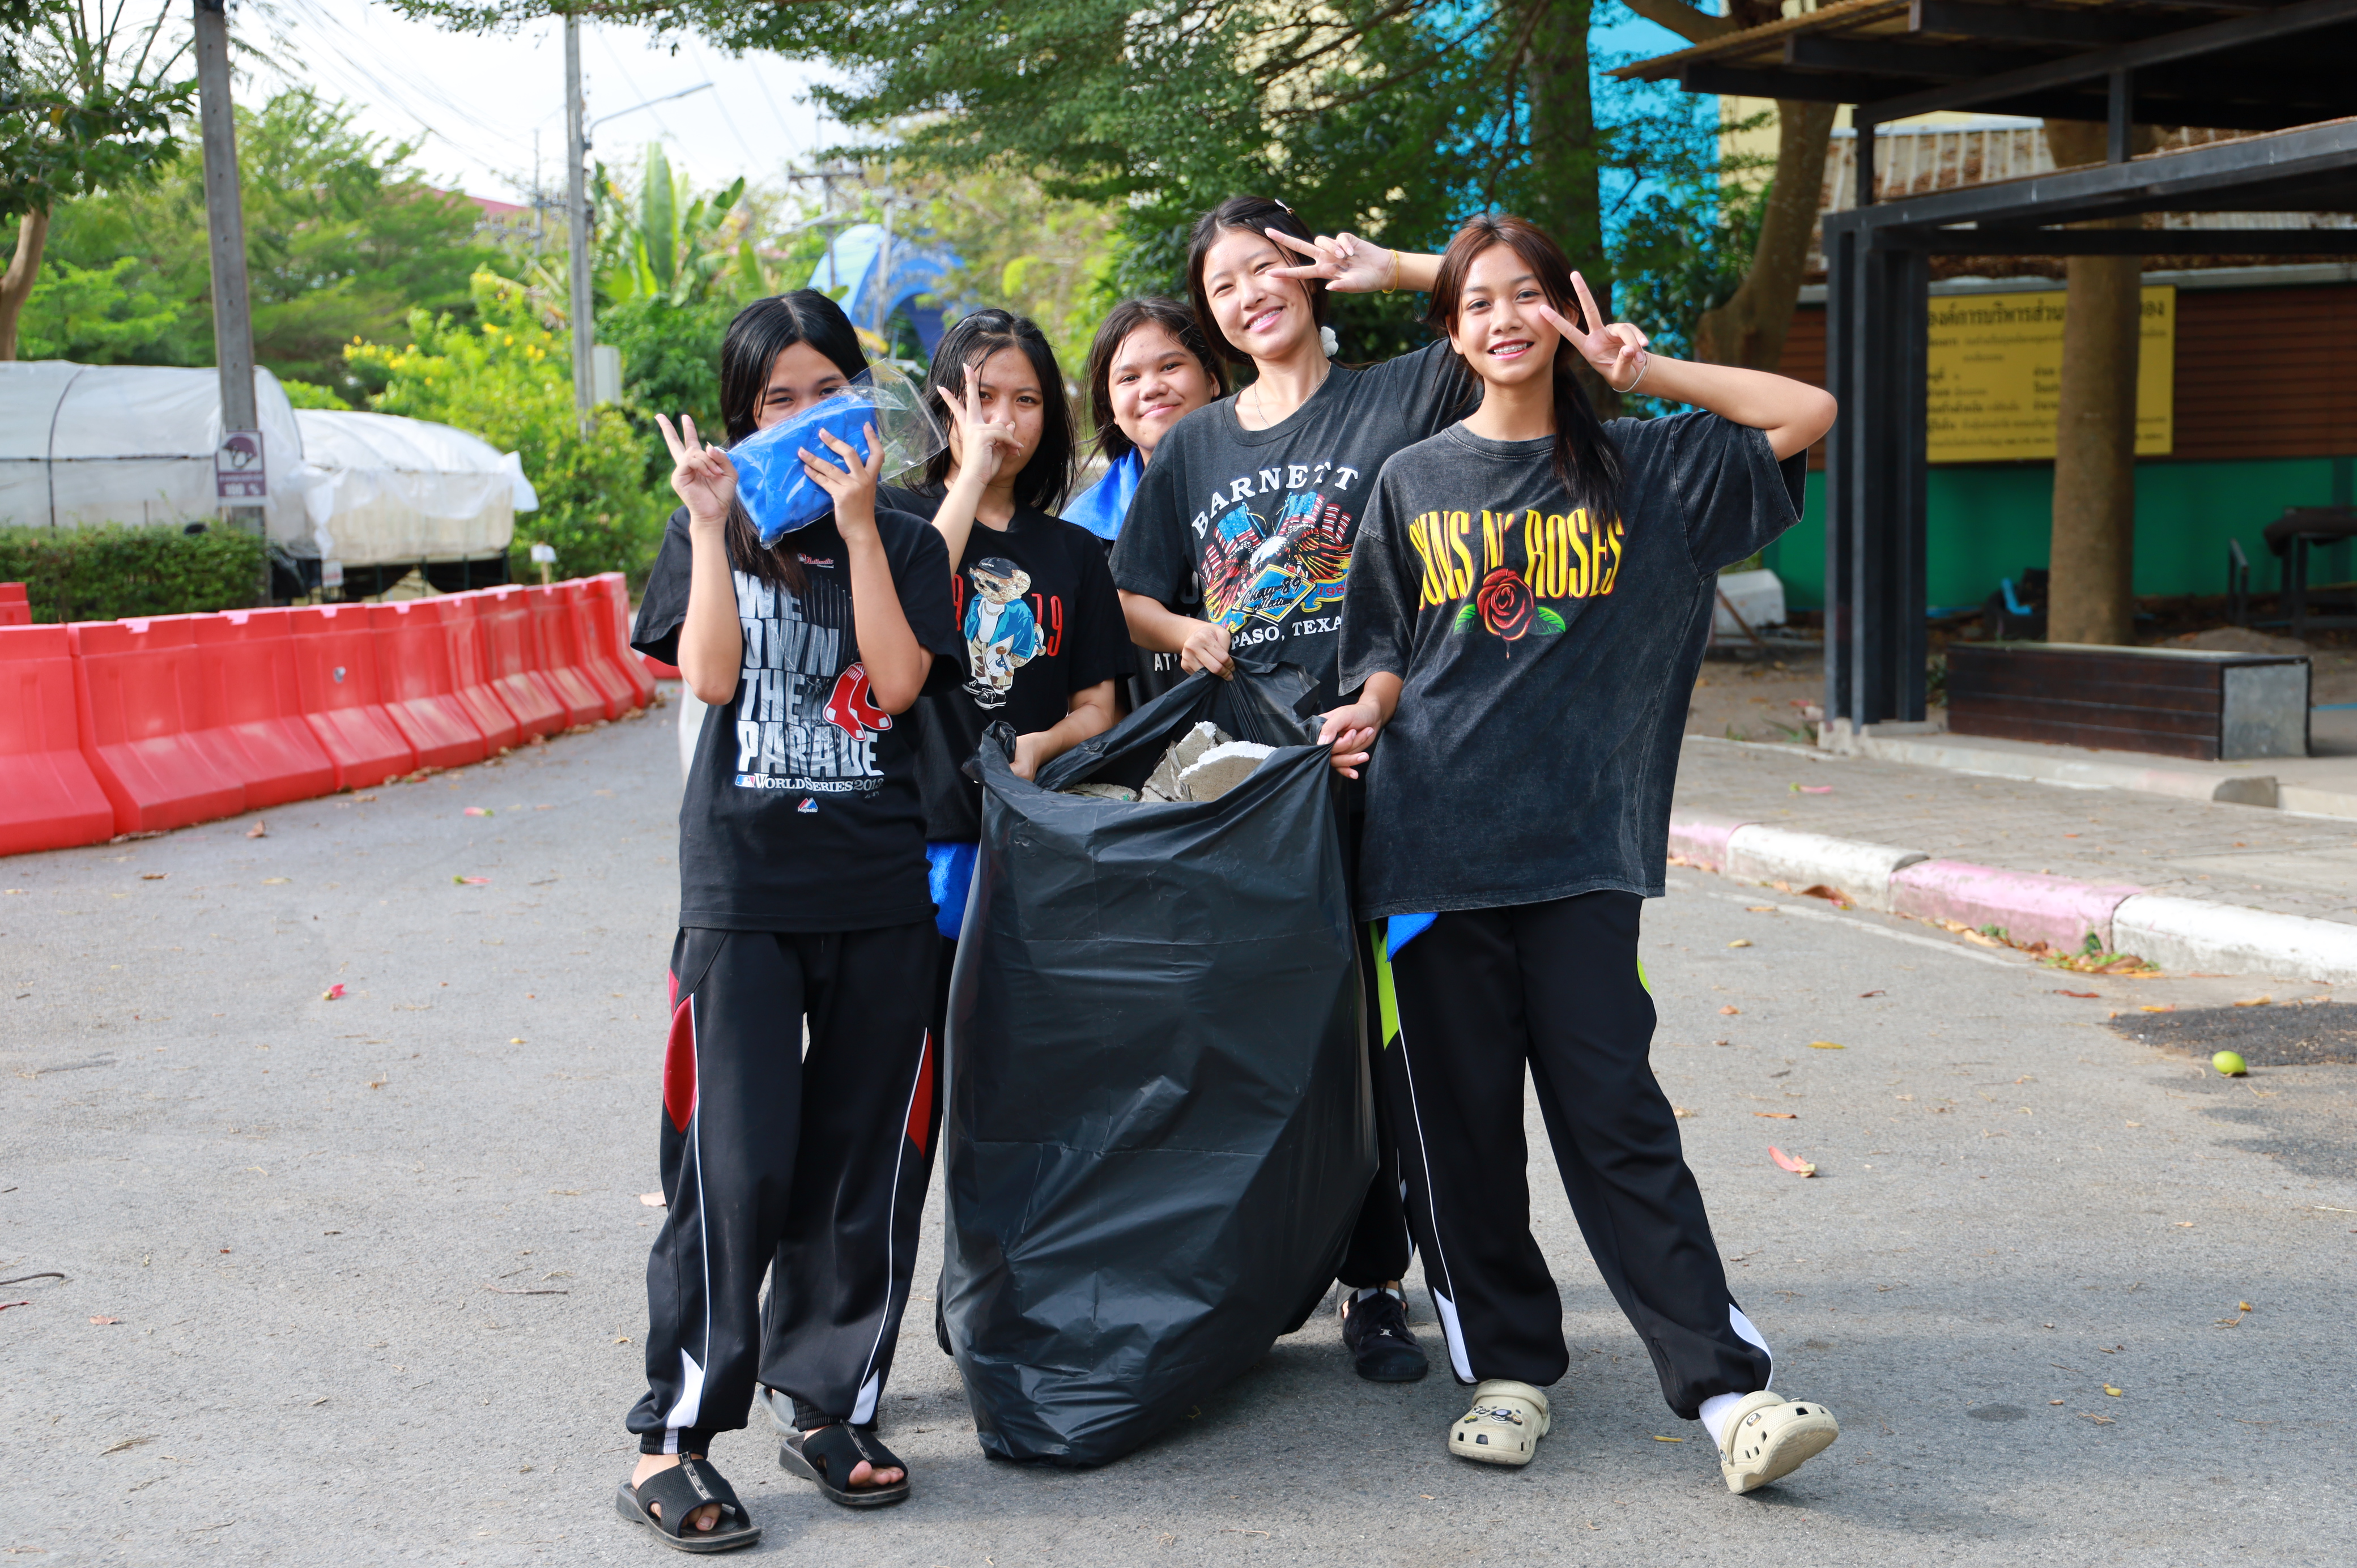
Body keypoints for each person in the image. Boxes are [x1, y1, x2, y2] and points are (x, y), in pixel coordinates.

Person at [1320, 214, 1843, 1492]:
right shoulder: (1412, 480)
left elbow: (1808, 410)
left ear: (1566, 310)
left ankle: (1728, 1394)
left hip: (1583, 859)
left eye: (1526, 296)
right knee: (1461, 1137)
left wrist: (1646, 371)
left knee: (1618, 1122)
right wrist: (1367, 708)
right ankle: (1507, 1374)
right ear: (1451, 333)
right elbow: (1381, 646)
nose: (1503, 320)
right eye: (1477, 303)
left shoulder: (1649, 467)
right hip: (1430, 858)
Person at [619, 290, 963, 1550]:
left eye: (832, 392)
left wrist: (863, 526)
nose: (811, 417)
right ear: (745, 416)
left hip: (879, 892)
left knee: (863, 1164)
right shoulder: (704, 523)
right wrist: (716, 526)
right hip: (744, 896)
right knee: (733, 1166)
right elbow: (712, 675)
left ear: (864, 402)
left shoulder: (908, 536)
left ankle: (828, 1404)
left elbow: (902, 681)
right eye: (781, 399)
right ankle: (675, 1436)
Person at [1108, 195, 1472, 1385]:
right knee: (1270, 1042)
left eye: (1266, 268)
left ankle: (1378, 1283)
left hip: (1387, 768)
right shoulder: (1196, 446)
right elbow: (1131, 593)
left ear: (1310, 273)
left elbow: (1515, 307)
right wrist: (1187, 631)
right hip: (1251, 792)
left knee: (1380, 1044)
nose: (1248, 295)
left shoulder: (1396, 395)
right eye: (1222, 285)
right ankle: (1266, 1269)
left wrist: (1397, 265)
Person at [878, 308, 1135, 1060]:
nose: (1002, 421)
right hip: (910, 843)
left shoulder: (1074, 551)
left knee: (1019, 1071)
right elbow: (907, 607)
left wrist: (1041, 744)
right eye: (981, 398)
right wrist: (970, 479)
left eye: (1025, 401)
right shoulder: (890, 516)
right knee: (911, 1070)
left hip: (1030, 844)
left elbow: (1098, 708)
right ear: (944, 404)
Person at [1066, 297, 1227, 705]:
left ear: (1212, 380)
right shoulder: (1079, 534)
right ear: (1110, 408)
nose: (1152, 388)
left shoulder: (1273, 489)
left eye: (1170, 366)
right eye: (1129, 378)